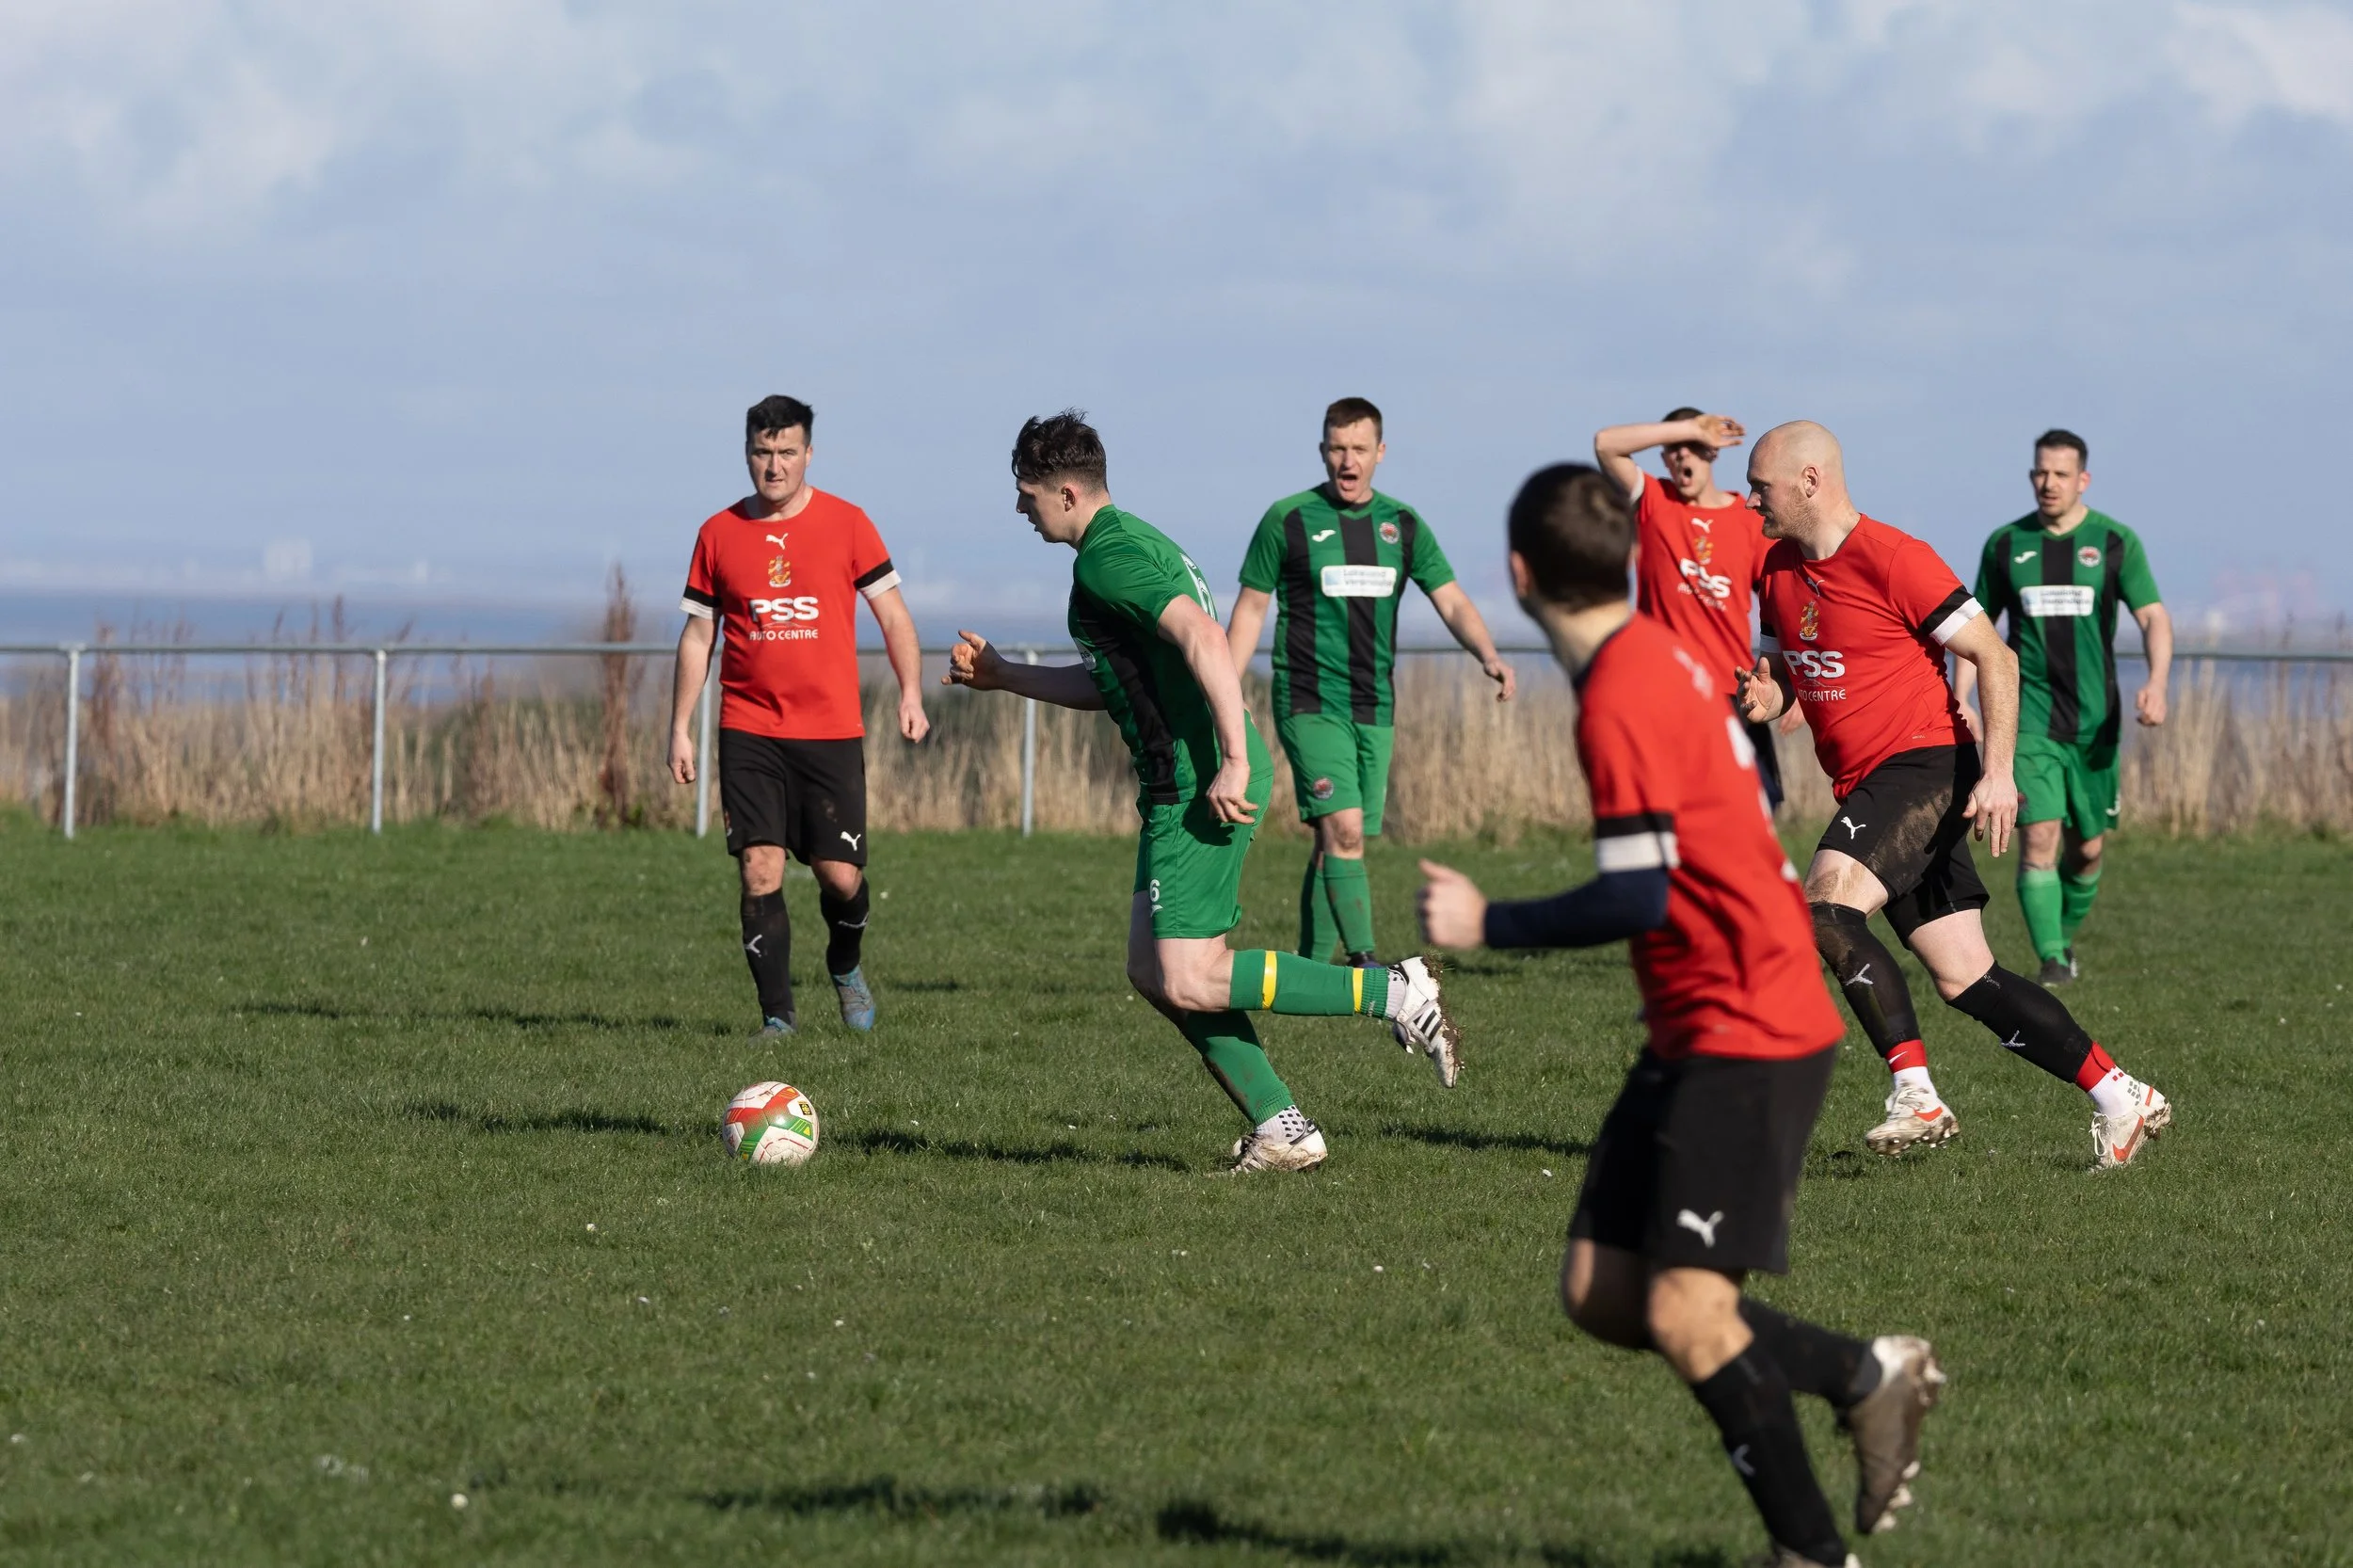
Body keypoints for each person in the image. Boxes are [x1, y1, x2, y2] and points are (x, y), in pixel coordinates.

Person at [1418, 463, 1940, 1568]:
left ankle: (1811, 1552)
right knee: (1603, 1291)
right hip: (1697, 1024)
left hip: (1751, 1025)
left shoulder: (1620, 690)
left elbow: (1636, 893)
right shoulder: (1657, 660)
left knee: (1687, 1312)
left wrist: (1483, 921)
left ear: (1517, 574)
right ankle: (1863, 1374)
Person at [946, 410, 1460, 1174]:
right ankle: (1283, 1128)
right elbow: (1117, 680)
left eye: (1024, 493)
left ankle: (1393, 990)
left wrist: (1232, 759)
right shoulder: (1128, 544)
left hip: (1196, 782)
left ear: (1062, 490)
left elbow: (1203, 638)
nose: (1019, 508)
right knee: (1154, 973)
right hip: (1176, 782)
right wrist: (1004, 676)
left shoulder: (1107, 560)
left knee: (1192, 972)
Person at [1734, 422, 2172, 1172]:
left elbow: (1995, 657)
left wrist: (1999, 774)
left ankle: (1917, 1095)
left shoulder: (1896, 557)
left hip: (1926, 764)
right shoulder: (1773, 568)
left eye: (1761, 486)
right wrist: (1765, 703)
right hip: (1868, 782)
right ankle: (2119, 1094)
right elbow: (1789, 691)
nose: (1751, 499)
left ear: (1810, 480)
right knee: (1965, 975)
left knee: (1823, 905)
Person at [668, 394, 930, 1037]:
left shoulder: (849, 524)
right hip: (749, 728)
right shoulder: (717, 534)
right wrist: (679, 725)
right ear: (747, 453)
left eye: (787, 452)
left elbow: (893, 616)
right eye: (763, 452)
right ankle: (777, 1019)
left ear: (809, 454)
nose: (774, 465)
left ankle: (845, 964)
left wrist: (911, 692)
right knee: (760, 868)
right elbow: (700, 637)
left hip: (831, 731)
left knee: (841, 879)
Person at [1225, 397, 1514, 967]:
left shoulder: (1402, 525)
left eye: (1359, 448)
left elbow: (1450, 599)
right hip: (1307, 699)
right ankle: (1365, 962)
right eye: (1337, 448)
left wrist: (1488, 653)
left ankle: (1308, 969)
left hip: (1375, 704)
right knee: (1346, 830)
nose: (1347, 460)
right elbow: (1251, 610)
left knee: (1334, 841)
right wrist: (1225, 695)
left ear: (1380, 452)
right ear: (1322, 451)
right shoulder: (1287, 518)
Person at [1956, 429, 2171, 985]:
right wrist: (1961, 698)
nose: (2047, 484)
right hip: (2029, 722)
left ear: (2083, 479)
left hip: (2096, 725)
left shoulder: (2115, 541)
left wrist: (2158, 681)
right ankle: (2052, 960)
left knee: (2088, 852)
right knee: (2040, 838)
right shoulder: (2006, 545)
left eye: (2059, 474)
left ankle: (2064, 938)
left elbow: (2152, 616)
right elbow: (1974, 630)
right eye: (2039, 473)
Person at [1593, 408, 1785, 808]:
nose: (1683, 456)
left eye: (1694, 448)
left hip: (1732, 691)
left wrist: (1794, 687)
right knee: (1667, 813)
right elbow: (1606, 445)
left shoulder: (1748, 522)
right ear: (1663, 458)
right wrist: (1687, 429)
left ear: (1712, 453)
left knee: (1754, 811)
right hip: (1664, 694)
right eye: (1672, 450)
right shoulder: (1654, 503)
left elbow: (1781, 606)